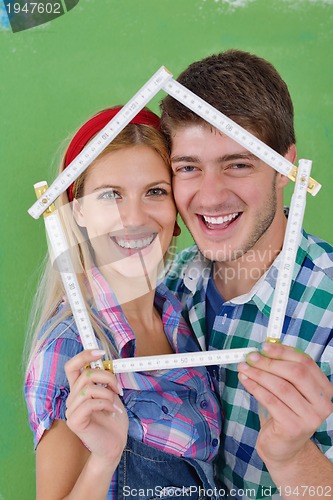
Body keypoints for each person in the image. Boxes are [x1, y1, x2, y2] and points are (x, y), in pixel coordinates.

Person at [24, 107, 223, 500]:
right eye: (111, 195)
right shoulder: (69, 348)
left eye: (155, 192)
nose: (134, 217)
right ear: (77, 210)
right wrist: (104, 458)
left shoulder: (181, 317)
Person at [160, 49, 333, 499]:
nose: (211, 196)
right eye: (188, 168)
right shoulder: (168, 287)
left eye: (238, 164)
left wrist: (293, 457)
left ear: (284, 168)